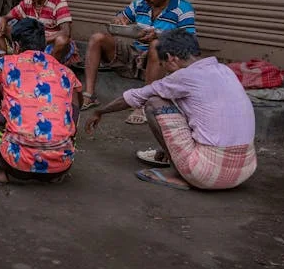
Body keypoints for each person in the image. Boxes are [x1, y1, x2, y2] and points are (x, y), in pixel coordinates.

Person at [85, 29, 257, 191]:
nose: (164, 70)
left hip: (207, 174)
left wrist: (99, 112)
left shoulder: (185, 76)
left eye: (162, 64)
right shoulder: (224, 69)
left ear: (171, 58)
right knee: (183, 102)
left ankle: (177, 174)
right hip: (245, 170)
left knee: (154, 102)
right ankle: (178, 157)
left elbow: (136, 96)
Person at [0, 18, 82, 186]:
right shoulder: (65, 71)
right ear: (43, 45)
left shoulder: (7, 63)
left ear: (16, 46)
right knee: (73, 99)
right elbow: (78, 105)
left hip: (17, 163)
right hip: (62, 164)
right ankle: (51, 167)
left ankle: (1, 169)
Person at [81, 0, 196, 125]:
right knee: (97, 38)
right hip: (136, 55)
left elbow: (189, 42)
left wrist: (159, 36)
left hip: (162, 64)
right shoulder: (141, 2)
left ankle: (144, 103)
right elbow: (122, 16)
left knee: (156, 45)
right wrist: (118, 20)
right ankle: (89, 95)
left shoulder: (182, 9)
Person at [0, 0, 77, 65]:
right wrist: (2, 19)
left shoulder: (58, 0)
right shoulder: (28, 0)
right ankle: (5, 66)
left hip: (49, 44)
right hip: (31, 42)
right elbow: (7, 17)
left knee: (62, 40)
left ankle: (50, 69)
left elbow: (66, 32)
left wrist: (40, 40)